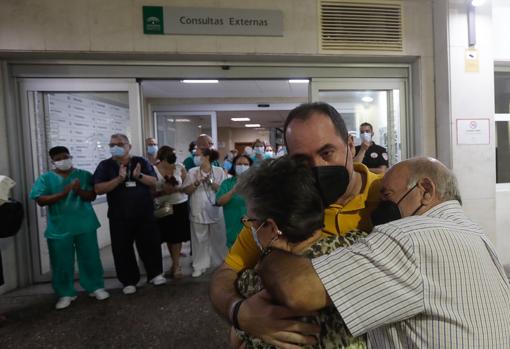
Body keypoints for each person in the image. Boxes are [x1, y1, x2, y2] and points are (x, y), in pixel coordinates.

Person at [258, 157, 510, 348]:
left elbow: (298, 290)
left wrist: (272, 247)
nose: (378, 211)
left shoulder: (411, 237)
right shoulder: (476, 234)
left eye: (387, 196)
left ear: (425, 190)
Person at [209, 102, 383, 347]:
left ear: (350, 146)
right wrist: (240, 313)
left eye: (326, 153)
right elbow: (226, 273)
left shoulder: (388, 194)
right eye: (301, 160)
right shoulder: (282, 203)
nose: (317, 168)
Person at [231, 155, 367, 349]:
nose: (250, 227)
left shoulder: (257, 284)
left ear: (271, 226)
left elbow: (236, 341)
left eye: (251, 221)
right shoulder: (360, 246)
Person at [30, 146, 109, 310]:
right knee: (61, 262)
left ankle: (95, 287)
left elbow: (91, 196)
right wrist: (63, 193)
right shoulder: (46, 178)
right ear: (53, 162)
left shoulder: (83, 175)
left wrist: (78, 190)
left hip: (84, 223)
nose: (63, 161)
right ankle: (65, 293)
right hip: (59, 227)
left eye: (65, 157)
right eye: (58, 159)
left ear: (71, 157)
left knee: (90, 257)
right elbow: (40, 200)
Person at [94, 134, 166, 295]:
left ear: (129, 146)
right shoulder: (105, 166)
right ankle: (128, 281)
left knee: (150, 245)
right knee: (122, 248)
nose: (115, 147)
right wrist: (118, 180)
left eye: (119, 144)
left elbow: (154, 182)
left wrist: (138, 176)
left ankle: (155, 274)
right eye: (112, 145)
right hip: (119, 215)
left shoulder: (141, 162)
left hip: (144, 213)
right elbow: (98, 188)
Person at [182, 148, 228, 278]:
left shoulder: (218, 171)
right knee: (198, 239)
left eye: (198, 155)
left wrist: (210, 182)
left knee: (219, 239)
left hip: (215, 208)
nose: (195, 157)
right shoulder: (192, 171)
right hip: (198, 208)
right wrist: (197, 182)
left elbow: (223, 189)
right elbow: (186, 190)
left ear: (207, 157)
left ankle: (220, 264)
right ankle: (199, 265)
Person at [153, 146, 190, 278]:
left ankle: (176, 265)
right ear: (162, 156)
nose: (173, 158)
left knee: (177, 237)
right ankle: (173, 264)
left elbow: (187, 185)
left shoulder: (179, 167)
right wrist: (162, 191)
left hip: (179, 205)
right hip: (163, 206)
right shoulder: (153, 169)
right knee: (168, 236)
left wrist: (178, 189)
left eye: (174, 155)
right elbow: (149, 191)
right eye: (170, 155)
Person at [216, 154, 253, 248]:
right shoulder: (227, 183)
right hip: (233, 226)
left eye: (245, 164)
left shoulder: (255, 183)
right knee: (234, 256)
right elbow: (219, 202)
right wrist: (233, 191)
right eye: (239, 164)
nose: (242, 166)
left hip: (252, 225)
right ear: (234, 166)